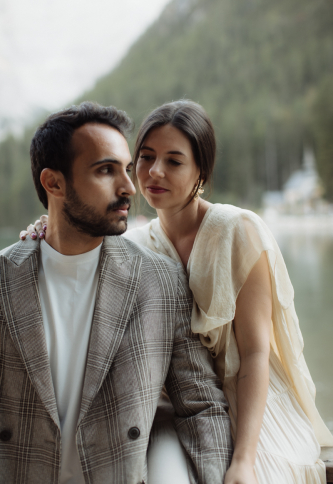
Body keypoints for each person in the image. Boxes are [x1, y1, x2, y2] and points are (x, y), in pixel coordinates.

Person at [22, 100, 333, 484]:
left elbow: (254, 354)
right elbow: (73, 238)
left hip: (251, 406)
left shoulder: (237, 231)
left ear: (200, 171)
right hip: (173, 406)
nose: (155, 171)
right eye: (146, 157)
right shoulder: (136, 242)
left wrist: (245, 460)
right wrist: (44, 227)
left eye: (174, 161)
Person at [1, 102, 233, 484]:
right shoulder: (4, 279)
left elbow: (201, 406)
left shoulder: (160, 279)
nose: (129, 187)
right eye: (105, 170)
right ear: (54, 183)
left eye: (126, 169)